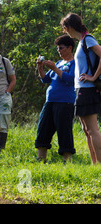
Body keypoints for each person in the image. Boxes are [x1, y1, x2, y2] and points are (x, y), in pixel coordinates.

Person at [60, 13, 101, 164]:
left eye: (65, 28)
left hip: (88, 88)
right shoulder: (82, 41)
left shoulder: (88, 39)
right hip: (81, 88)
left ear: (70, 27)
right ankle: (94, 163)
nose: (65, 31)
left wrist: (93, 77)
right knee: (86, 130)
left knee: (92, 129)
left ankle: (100, 164)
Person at [35, 35, 76, 163]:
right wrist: (40, 67)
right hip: (50, 101)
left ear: (70, 48)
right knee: (43, 128)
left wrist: (55, 68)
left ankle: (67, 159)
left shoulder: (74, 63)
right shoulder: (59, 63)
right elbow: (45, 79)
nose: (59, 51)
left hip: (65, 101)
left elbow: (70, 80)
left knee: (64, 130)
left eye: (61, 48)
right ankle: (41, 158)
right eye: (57, 48)